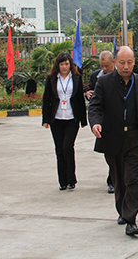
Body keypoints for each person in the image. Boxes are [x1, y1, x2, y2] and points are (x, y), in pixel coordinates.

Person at [87, 46, 138, 236]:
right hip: (112, 137)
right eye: (122, 62)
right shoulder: (104, 82)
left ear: (134, 62)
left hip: (135, 137)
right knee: (119, 180)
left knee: (132, 178)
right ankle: (123, 211)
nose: (126, 66)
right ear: (115, 62)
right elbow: (95, 106)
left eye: (130, 62)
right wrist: (95, 123)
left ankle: (131, 219)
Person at [42, 52, 88, 191]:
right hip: (56, 118)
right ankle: (62, 181)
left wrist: (83, 120)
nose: (64, 67)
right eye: (61, 64)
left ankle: (71, 179)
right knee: (59, 150)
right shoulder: (51, 78)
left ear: (70, 65)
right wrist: (45, 119)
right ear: (58, 65)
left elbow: (79, 99)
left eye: (66, 64)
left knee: (67, 147)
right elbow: (46, 99)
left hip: (71, 118)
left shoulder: (76, 78)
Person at [86, 51, 116, 193]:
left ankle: (114, 180)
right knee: (109, 152)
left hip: (120, 119)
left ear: (114, 62)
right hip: (104, 119)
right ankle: (113, 178)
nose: (104, 69)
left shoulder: (121, 75)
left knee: (119, 152)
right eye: (102, 66)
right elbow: (92, 96)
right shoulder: (96, 76)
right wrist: (87, 93)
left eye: (107, 66)